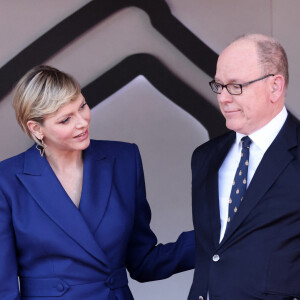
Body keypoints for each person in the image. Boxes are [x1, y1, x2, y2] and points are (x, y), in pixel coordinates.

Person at [0, 65, 195, 300]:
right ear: (36, 128)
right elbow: (4, 289)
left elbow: (144, 262)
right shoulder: (7, 180)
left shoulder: (124, 159)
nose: (82, 122)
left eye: (82, 106)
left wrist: (219, 236)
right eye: (65, 120)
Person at [188, 33, 300, 300]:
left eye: (236, 86)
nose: (224, 98)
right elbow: (213, 249)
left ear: (275, 86)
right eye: (219, 86)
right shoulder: (204, 157)